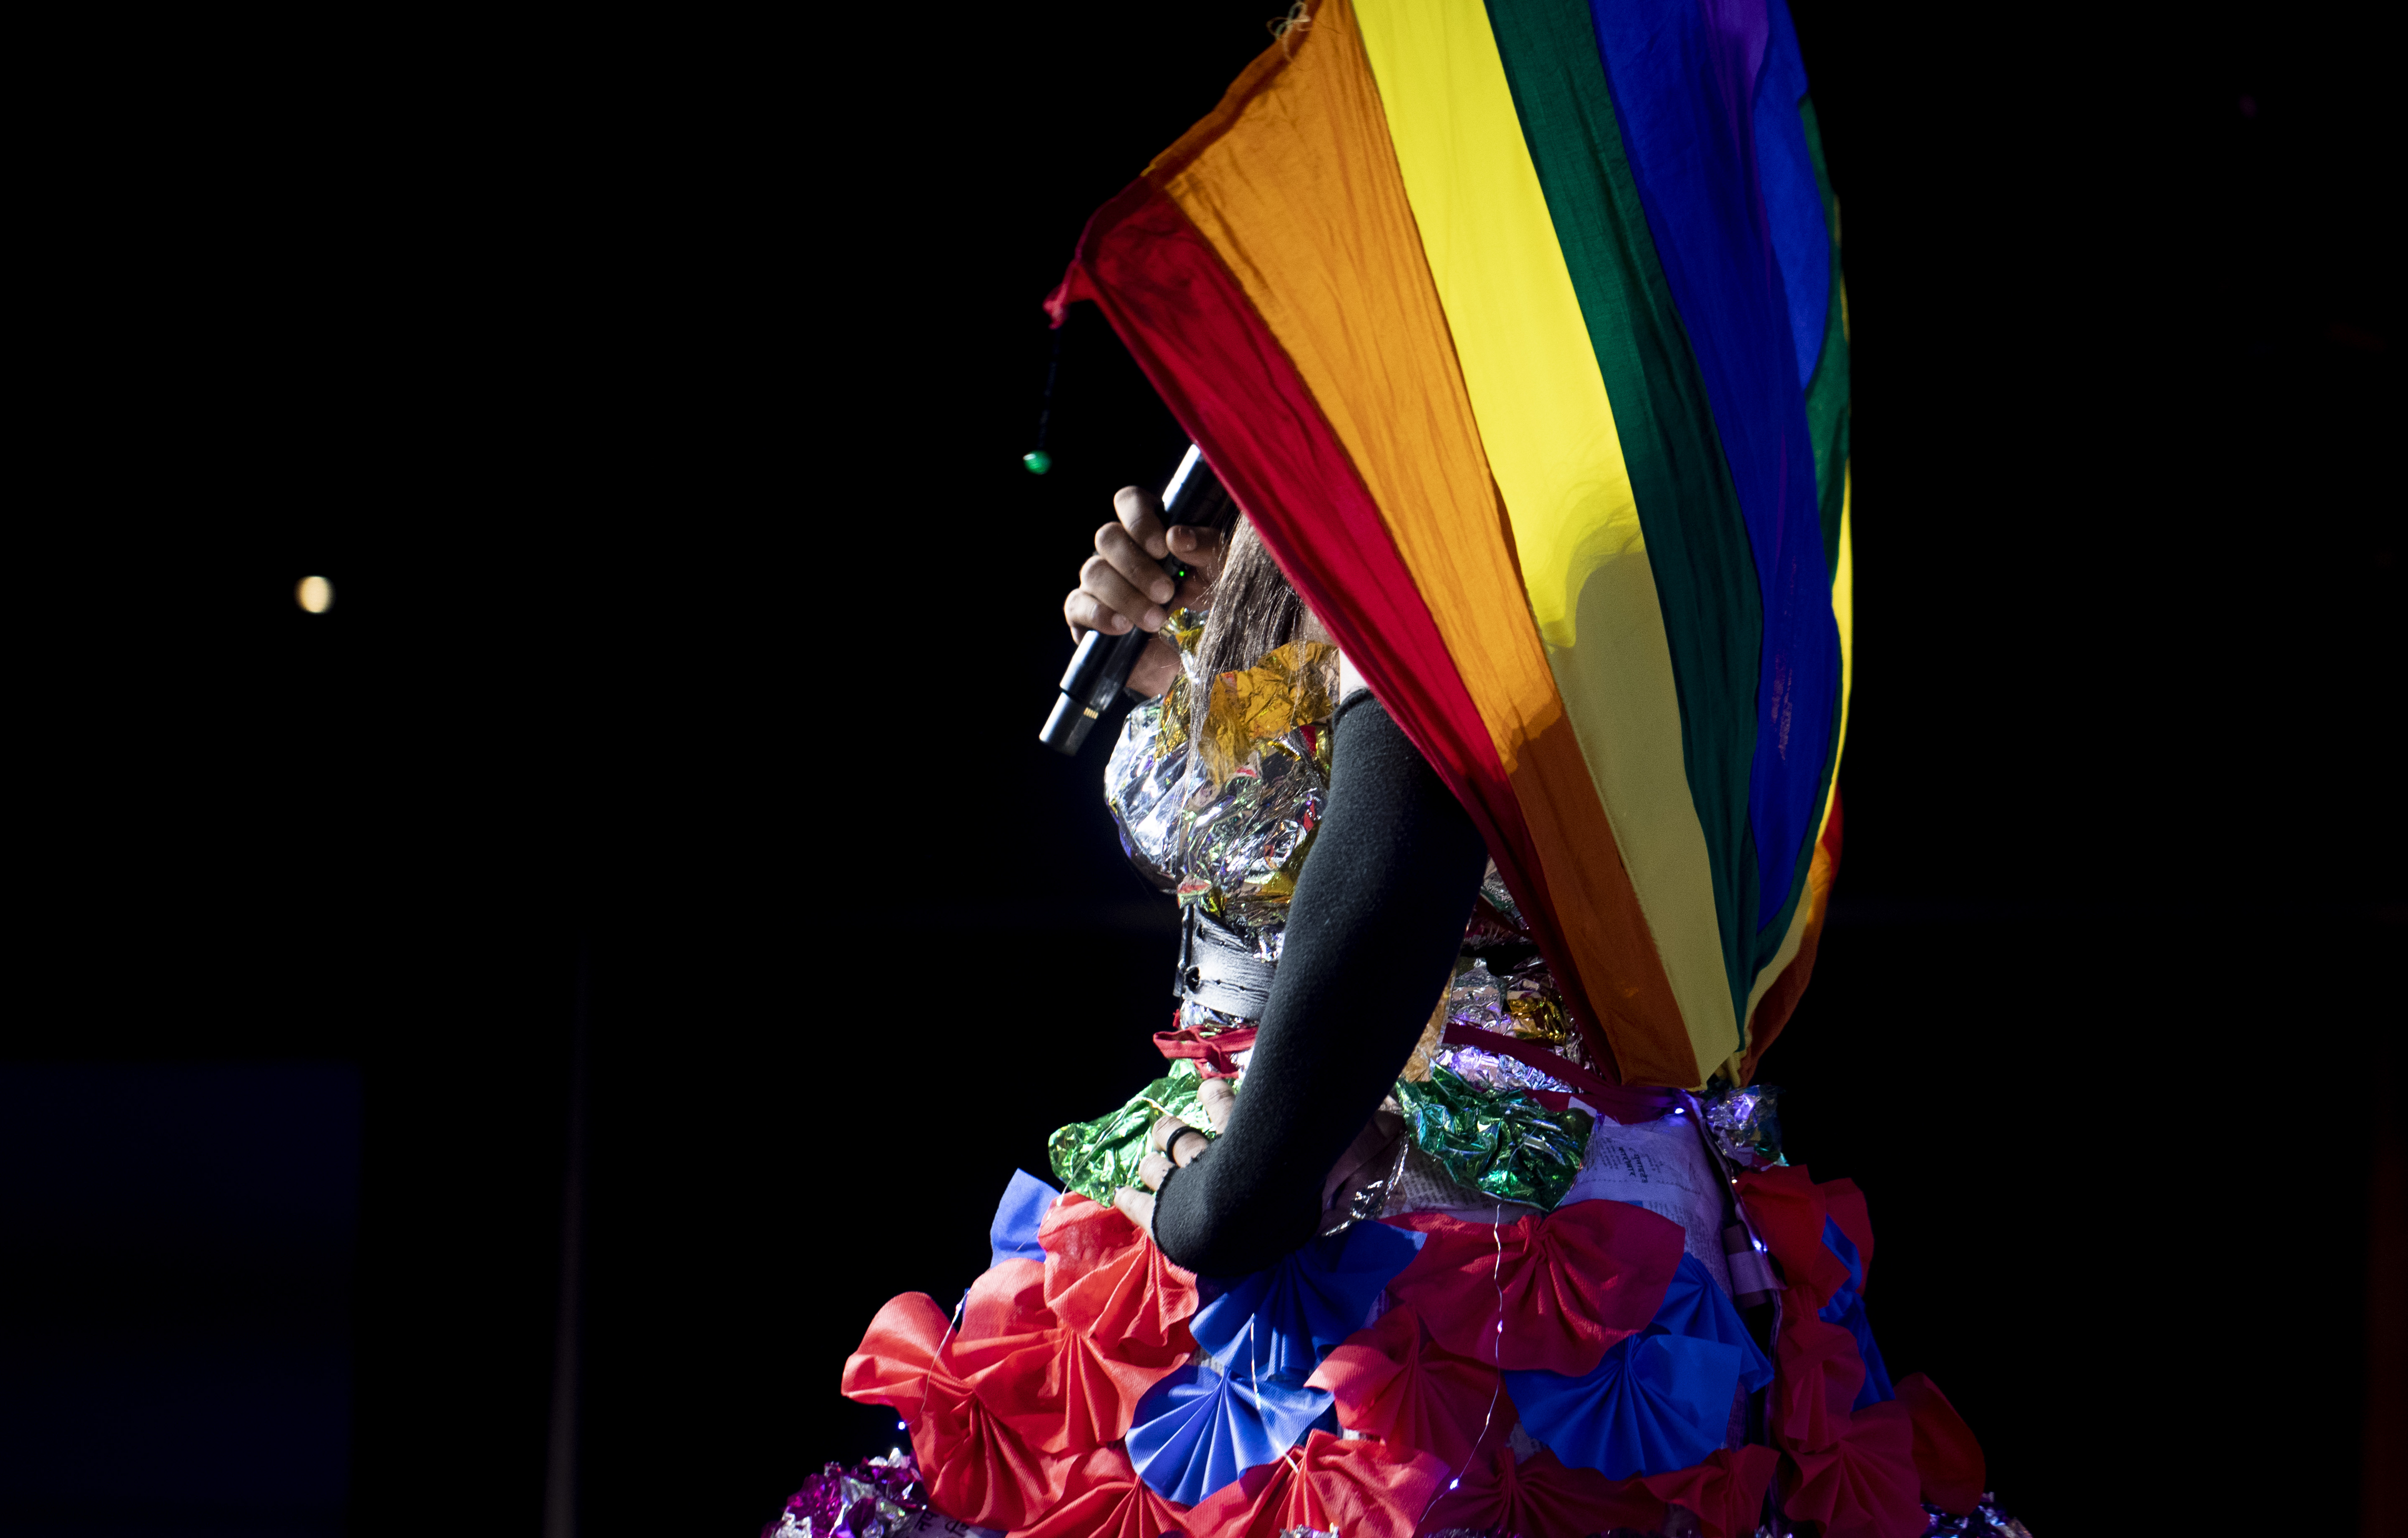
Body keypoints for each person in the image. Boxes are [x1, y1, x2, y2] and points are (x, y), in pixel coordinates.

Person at [780, 494, 2025, 1538]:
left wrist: (1227, 1201)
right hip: (1294, 1158)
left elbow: (1404, 855)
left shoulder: (1454, 504)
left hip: (1432, 1223)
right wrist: (1218, 644)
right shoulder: (1307, 519)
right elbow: (1310, 829)